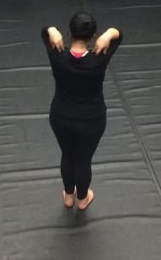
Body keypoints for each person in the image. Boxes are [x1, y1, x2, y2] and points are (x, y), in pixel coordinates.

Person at [42, 13, 122, 210]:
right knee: (83, 159)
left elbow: (44, 33)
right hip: (91, 120)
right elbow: (119, 35)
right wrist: (108, 34)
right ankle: (83, 198)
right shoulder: (100, 58)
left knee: (67, 155)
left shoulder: (57, 55)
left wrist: (51, 29)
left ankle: (69, 196)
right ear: (94, 36)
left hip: (61, 117)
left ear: (69, 33)